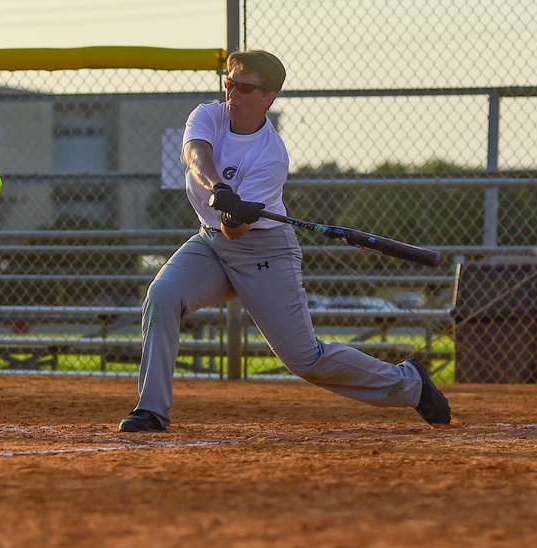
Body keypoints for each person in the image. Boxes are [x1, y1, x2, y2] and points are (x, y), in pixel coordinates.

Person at [118, 50, 451, 432]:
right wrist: (221, 189)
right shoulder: (208, 115)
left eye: (244, 88)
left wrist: (235, 213)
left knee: (303, 357)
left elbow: (236, 231)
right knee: (162, 295)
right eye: (230, 83)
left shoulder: (270, 157)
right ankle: (152, 410)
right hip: (209, 243)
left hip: (264, 249)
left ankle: (410, 384)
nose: (233, 93)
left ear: (269, 97)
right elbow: (196, 155)